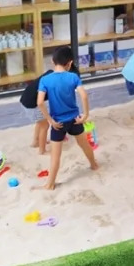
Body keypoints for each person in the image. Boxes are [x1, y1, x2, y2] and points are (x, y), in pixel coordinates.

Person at [36, 47, 98, 190]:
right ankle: (94, 165)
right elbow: (84, 95)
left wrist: (50, 120)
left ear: (52, 61)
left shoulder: (45, 80)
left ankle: (50, 184)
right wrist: (86, 114)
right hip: (75, 119)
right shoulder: (73, 77)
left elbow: (40, 102)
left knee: (55, 156)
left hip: (58, 123)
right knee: (84, 145)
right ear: (69, 63)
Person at [20, 68, 53, 155]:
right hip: (32, 104)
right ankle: (42, 150)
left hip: (25, 99)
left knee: (40, 122)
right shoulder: (56, 83)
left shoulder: (50, 72)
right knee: (45, 126)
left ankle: (35, 142)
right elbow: (41, 102)